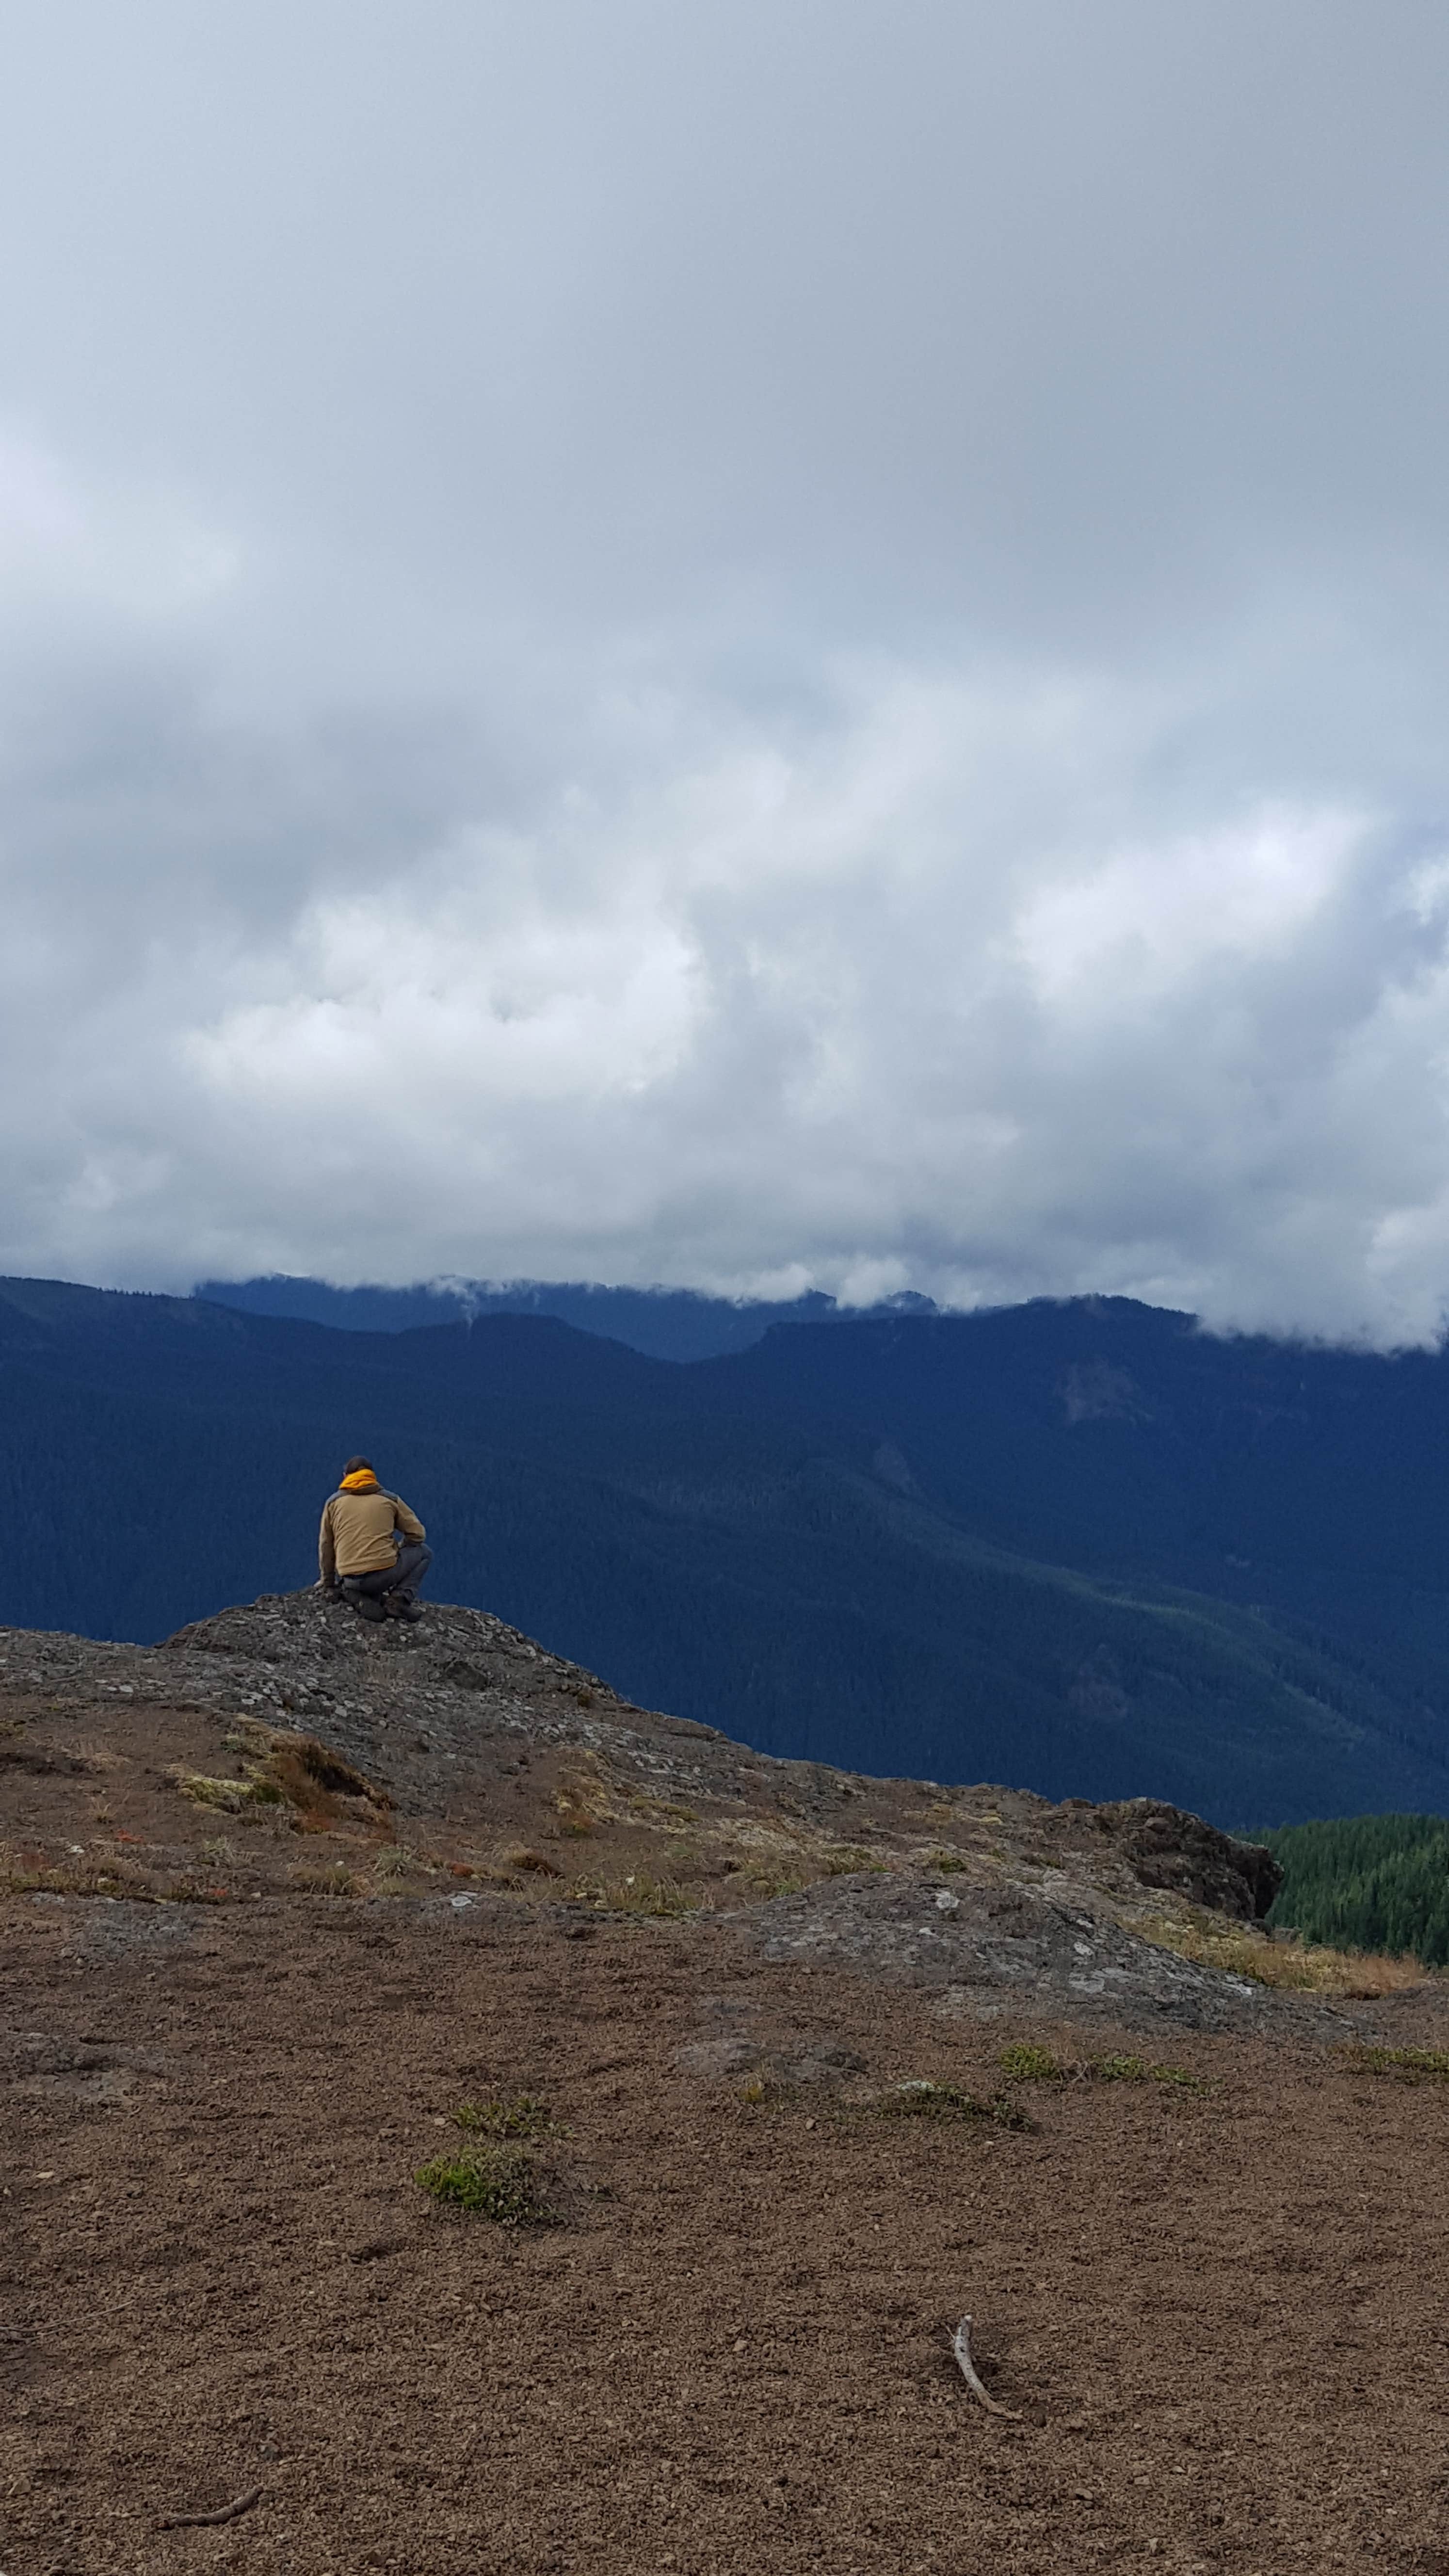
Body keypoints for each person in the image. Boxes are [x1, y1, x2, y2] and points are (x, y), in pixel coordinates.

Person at [318, 1456, 432, 1624]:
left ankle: (352, 1593)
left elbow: (326, 1545)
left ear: (345, 1476)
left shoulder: (333, 1503)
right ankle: (398, 1600)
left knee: (353, 1579)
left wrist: (329, 1583)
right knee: (425, 1553)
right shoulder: (390, 1499)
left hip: (349, 1578)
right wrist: (399, 1548)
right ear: (371, 1475)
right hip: (382, 1578)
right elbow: (418, 1534)